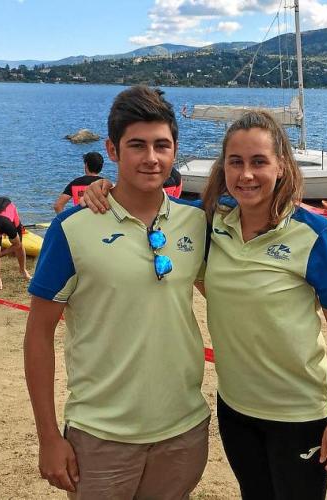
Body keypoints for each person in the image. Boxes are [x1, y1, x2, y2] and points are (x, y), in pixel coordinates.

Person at [83, 110, 327, 499]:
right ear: (223, 168)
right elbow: (153, 208)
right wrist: (104, 190)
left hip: (298, 412)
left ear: (281, 165)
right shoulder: (211, 222)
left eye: (259, 162)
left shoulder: (317, 236)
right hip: (235, 408)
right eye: (236, 162)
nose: (246, 175)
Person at [24, 85, 211, 499]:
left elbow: (256, 207)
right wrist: (48, 437)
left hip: (183, 428)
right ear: (112, 150)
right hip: (101, 434)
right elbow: (38, 333)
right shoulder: (73, 228)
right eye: (137, 145)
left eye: (161, 145)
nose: (151, 158)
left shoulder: (197, 222)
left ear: (175, 151)